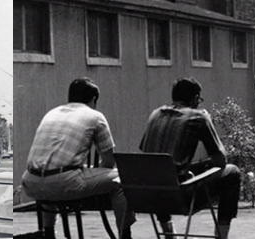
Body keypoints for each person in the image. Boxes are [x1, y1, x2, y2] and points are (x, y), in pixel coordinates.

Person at [22, 78, 135, 239]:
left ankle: (49, 233)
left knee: (49, 174)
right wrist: (94, 173)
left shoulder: (51, 113)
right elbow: (109, 162)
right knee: (122, 180)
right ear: (93, 99)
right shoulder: (95, 116)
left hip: (30, 182)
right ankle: (125, 235)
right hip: (64, 183)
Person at [139, 78, 242, 238]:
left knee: (162, 171)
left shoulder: (155, 114)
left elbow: (146, 149)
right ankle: (222, 236)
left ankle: (169, 233)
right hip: (180, 198)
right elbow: (221, 161)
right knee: (232, 173)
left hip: (148, 196)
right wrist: (208, 120)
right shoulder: (198, 117)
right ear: (195, 98)